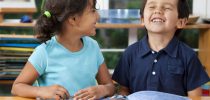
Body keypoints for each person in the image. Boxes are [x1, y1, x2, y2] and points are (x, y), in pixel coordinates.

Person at [11, 0, 115, 99]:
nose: (98, 16)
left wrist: (103, 90)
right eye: (93, 11)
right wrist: (41, 91)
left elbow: (110, 86)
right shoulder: (44, 52)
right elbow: (17, 87)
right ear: (73, 19)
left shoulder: (93, 47)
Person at [112, 0, 210, 97]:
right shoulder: (130, 53)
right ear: (142, 19)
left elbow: (195, 97)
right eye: (152, 7)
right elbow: (123, 90)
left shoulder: (189, 56)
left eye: (167, 8)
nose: (157, 11)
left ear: (181, 22)